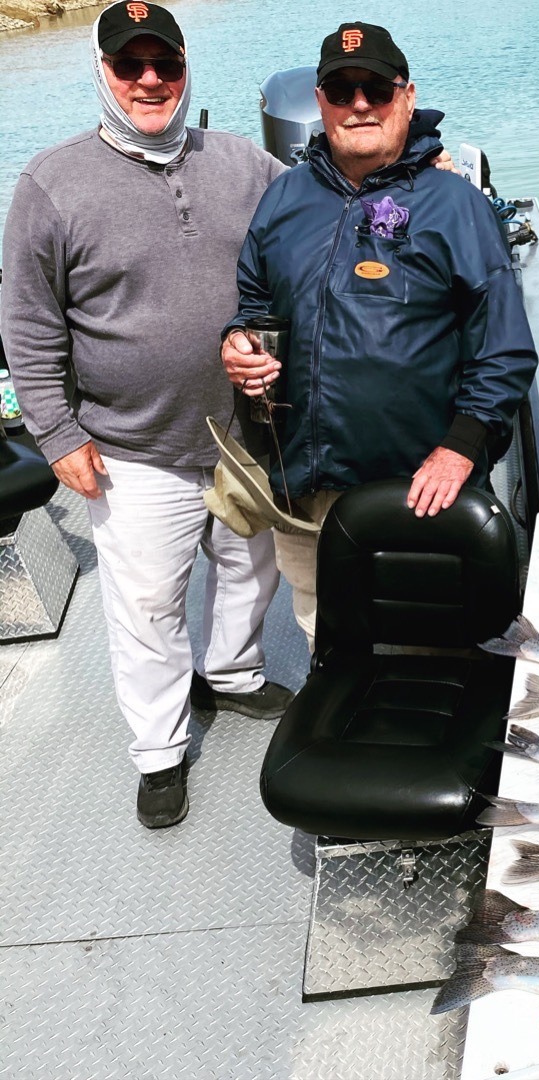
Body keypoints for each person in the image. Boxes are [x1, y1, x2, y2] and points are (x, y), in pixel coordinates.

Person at [0, 2, 297, 830]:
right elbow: (26, 321)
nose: (149, 81)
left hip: (244, 430)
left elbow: (312, 239)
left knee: (248, 570)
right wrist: (57, 434)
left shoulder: (245, 163)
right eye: (129, 66)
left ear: (185, 64)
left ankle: (233, 674)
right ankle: (161, 750)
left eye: (163, 63)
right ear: (102, 73)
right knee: (149, 605)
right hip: (128, 444)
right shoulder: (50, 184)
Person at [220, 22, 538, 651]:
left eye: (376, 88)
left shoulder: (455, 205)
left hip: (418, 490)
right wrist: (236, 343)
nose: (359, 103)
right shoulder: (282, 197)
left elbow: (502, 349)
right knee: (328, 635)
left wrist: (461, 449)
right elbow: (254, 304)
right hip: (305, 487)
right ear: (320, 102)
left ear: (407, 96)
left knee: (425, 643)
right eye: (342, 89)